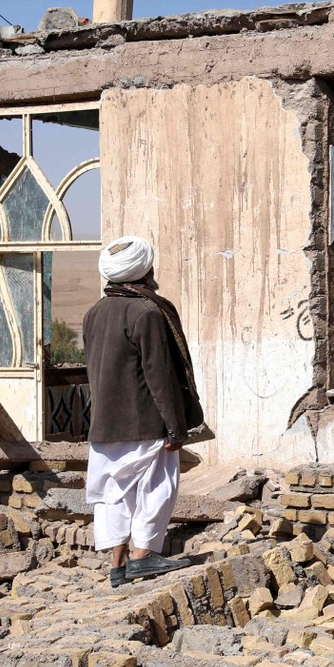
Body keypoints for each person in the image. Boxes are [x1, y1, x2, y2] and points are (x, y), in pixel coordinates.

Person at [82, 236, 201, 586]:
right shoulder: (147, 312)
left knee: (113, 495)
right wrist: (176, 427)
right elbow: (159, 375)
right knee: (157, 489)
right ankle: (143, 557)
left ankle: (117, 566)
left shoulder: (94, 313)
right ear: (143, 272)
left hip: (104, 425)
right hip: (145, 422)